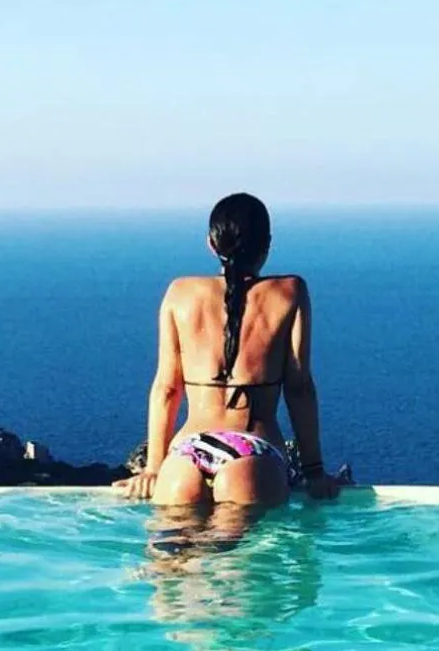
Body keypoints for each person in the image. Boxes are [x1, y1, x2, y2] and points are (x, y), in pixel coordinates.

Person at [116, 193, 340, 505]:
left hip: (186, 453)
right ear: (267, 244)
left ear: (211, 243)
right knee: (238, 554)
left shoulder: (179, 293)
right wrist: (314, 472)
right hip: (252, 450)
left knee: (170, 553)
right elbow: (299, 389)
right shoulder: (290, 292)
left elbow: (166, 389)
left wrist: (154, 468)